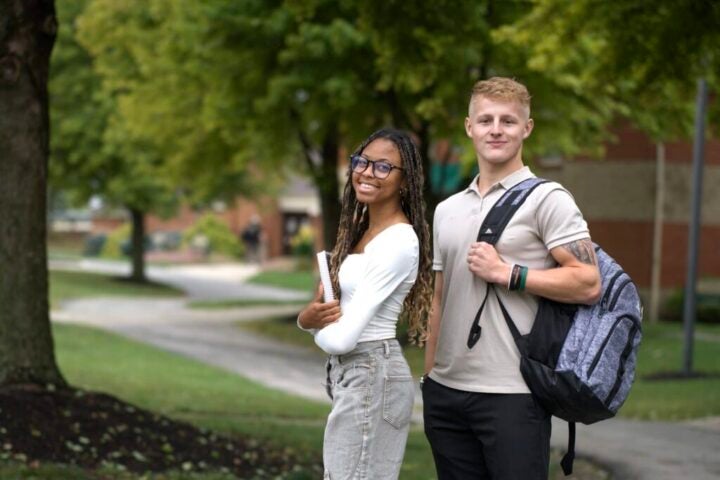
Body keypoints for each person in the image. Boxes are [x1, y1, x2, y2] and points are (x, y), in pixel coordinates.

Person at [422, 77, 602, 480]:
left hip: (513, 396)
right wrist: (430, 378)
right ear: (469, 127)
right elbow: (440, 299)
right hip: (446, 394)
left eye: (508, 120)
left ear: (527, 128)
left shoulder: (548, 198)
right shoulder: (447, 209)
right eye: (485, 120)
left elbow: (588, 283)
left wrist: (509, 274)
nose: (496, 129)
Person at [297, 128, 433, 480]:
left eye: (384, 167)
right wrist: (312, 316)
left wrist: (311, 326)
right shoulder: (363, 231)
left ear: (405, 181)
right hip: (357, 372)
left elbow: (343, 339)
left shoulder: (399, 240)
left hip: (372, 371)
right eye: (363, 161)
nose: (368, 172)